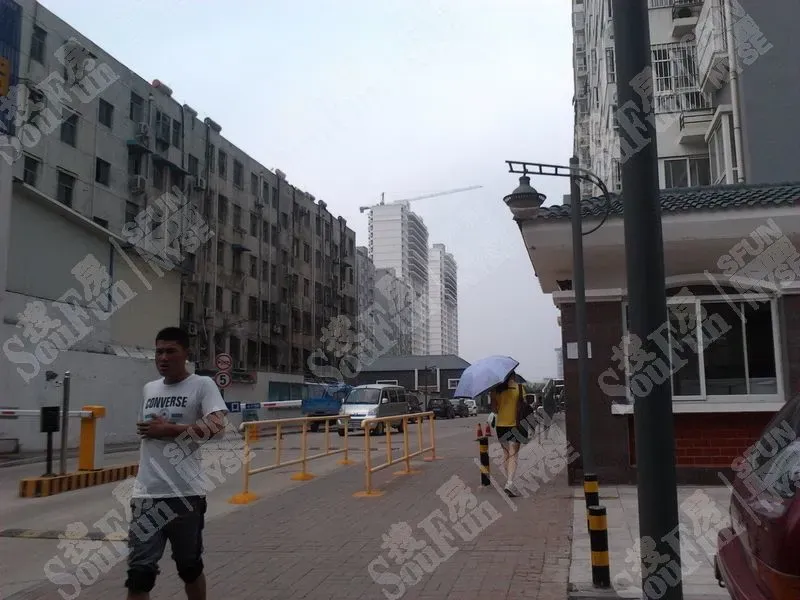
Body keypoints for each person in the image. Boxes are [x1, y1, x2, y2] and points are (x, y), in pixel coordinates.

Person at [125, 327, 228, 600]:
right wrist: (155, 430)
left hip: (185, 495)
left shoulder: (202, 385)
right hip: (146, 495)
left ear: (186, 354)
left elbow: (217, 427)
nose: (163, 358)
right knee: (139, 575)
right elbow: (147, 430)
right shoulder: (149, 388)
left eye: (171, 351)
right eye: (159, 352)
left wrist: (169, 429)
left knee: (189, 568)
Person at [489, 370, 526, 497]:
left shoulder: (496, 389)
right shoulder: (519, 387)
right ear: (514, 375)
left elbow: (494, 410)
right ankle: (510, 483)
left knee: (506, 454)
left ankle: (509, 481)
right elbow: (523, 405)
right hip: (516, 425)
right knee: (513, 455)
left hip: (501, 426)